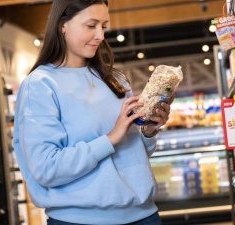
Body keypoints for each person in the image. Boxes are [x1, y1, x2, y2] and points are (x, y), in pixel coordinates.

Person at [13, 0, 172, 224]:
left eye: (104, 26)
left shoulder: (115, 80)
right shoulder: (40, 85)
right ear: (62, 25)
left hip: (144, 215)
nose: (100, 35)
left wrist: (148, 130)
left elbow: (133, 154)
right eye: (91, 25)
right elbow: (46, 168)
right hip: (79, 220)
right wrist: (110, 138)